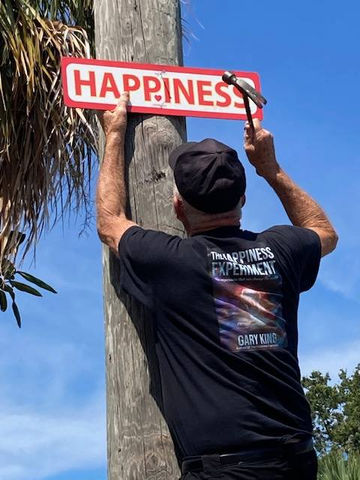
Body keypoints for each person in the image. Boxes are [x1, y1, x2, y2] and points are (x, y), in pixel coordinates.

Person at [96, 92, 338, 480]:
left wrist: (114, 136)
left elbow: (110, 223)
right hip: (296, 459)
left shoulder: (169, 261)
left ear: (178, 207)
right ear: (241, 198)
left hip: (223, 469)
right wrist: (271, 169)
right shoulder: (279, 249)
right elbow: (324, 233)